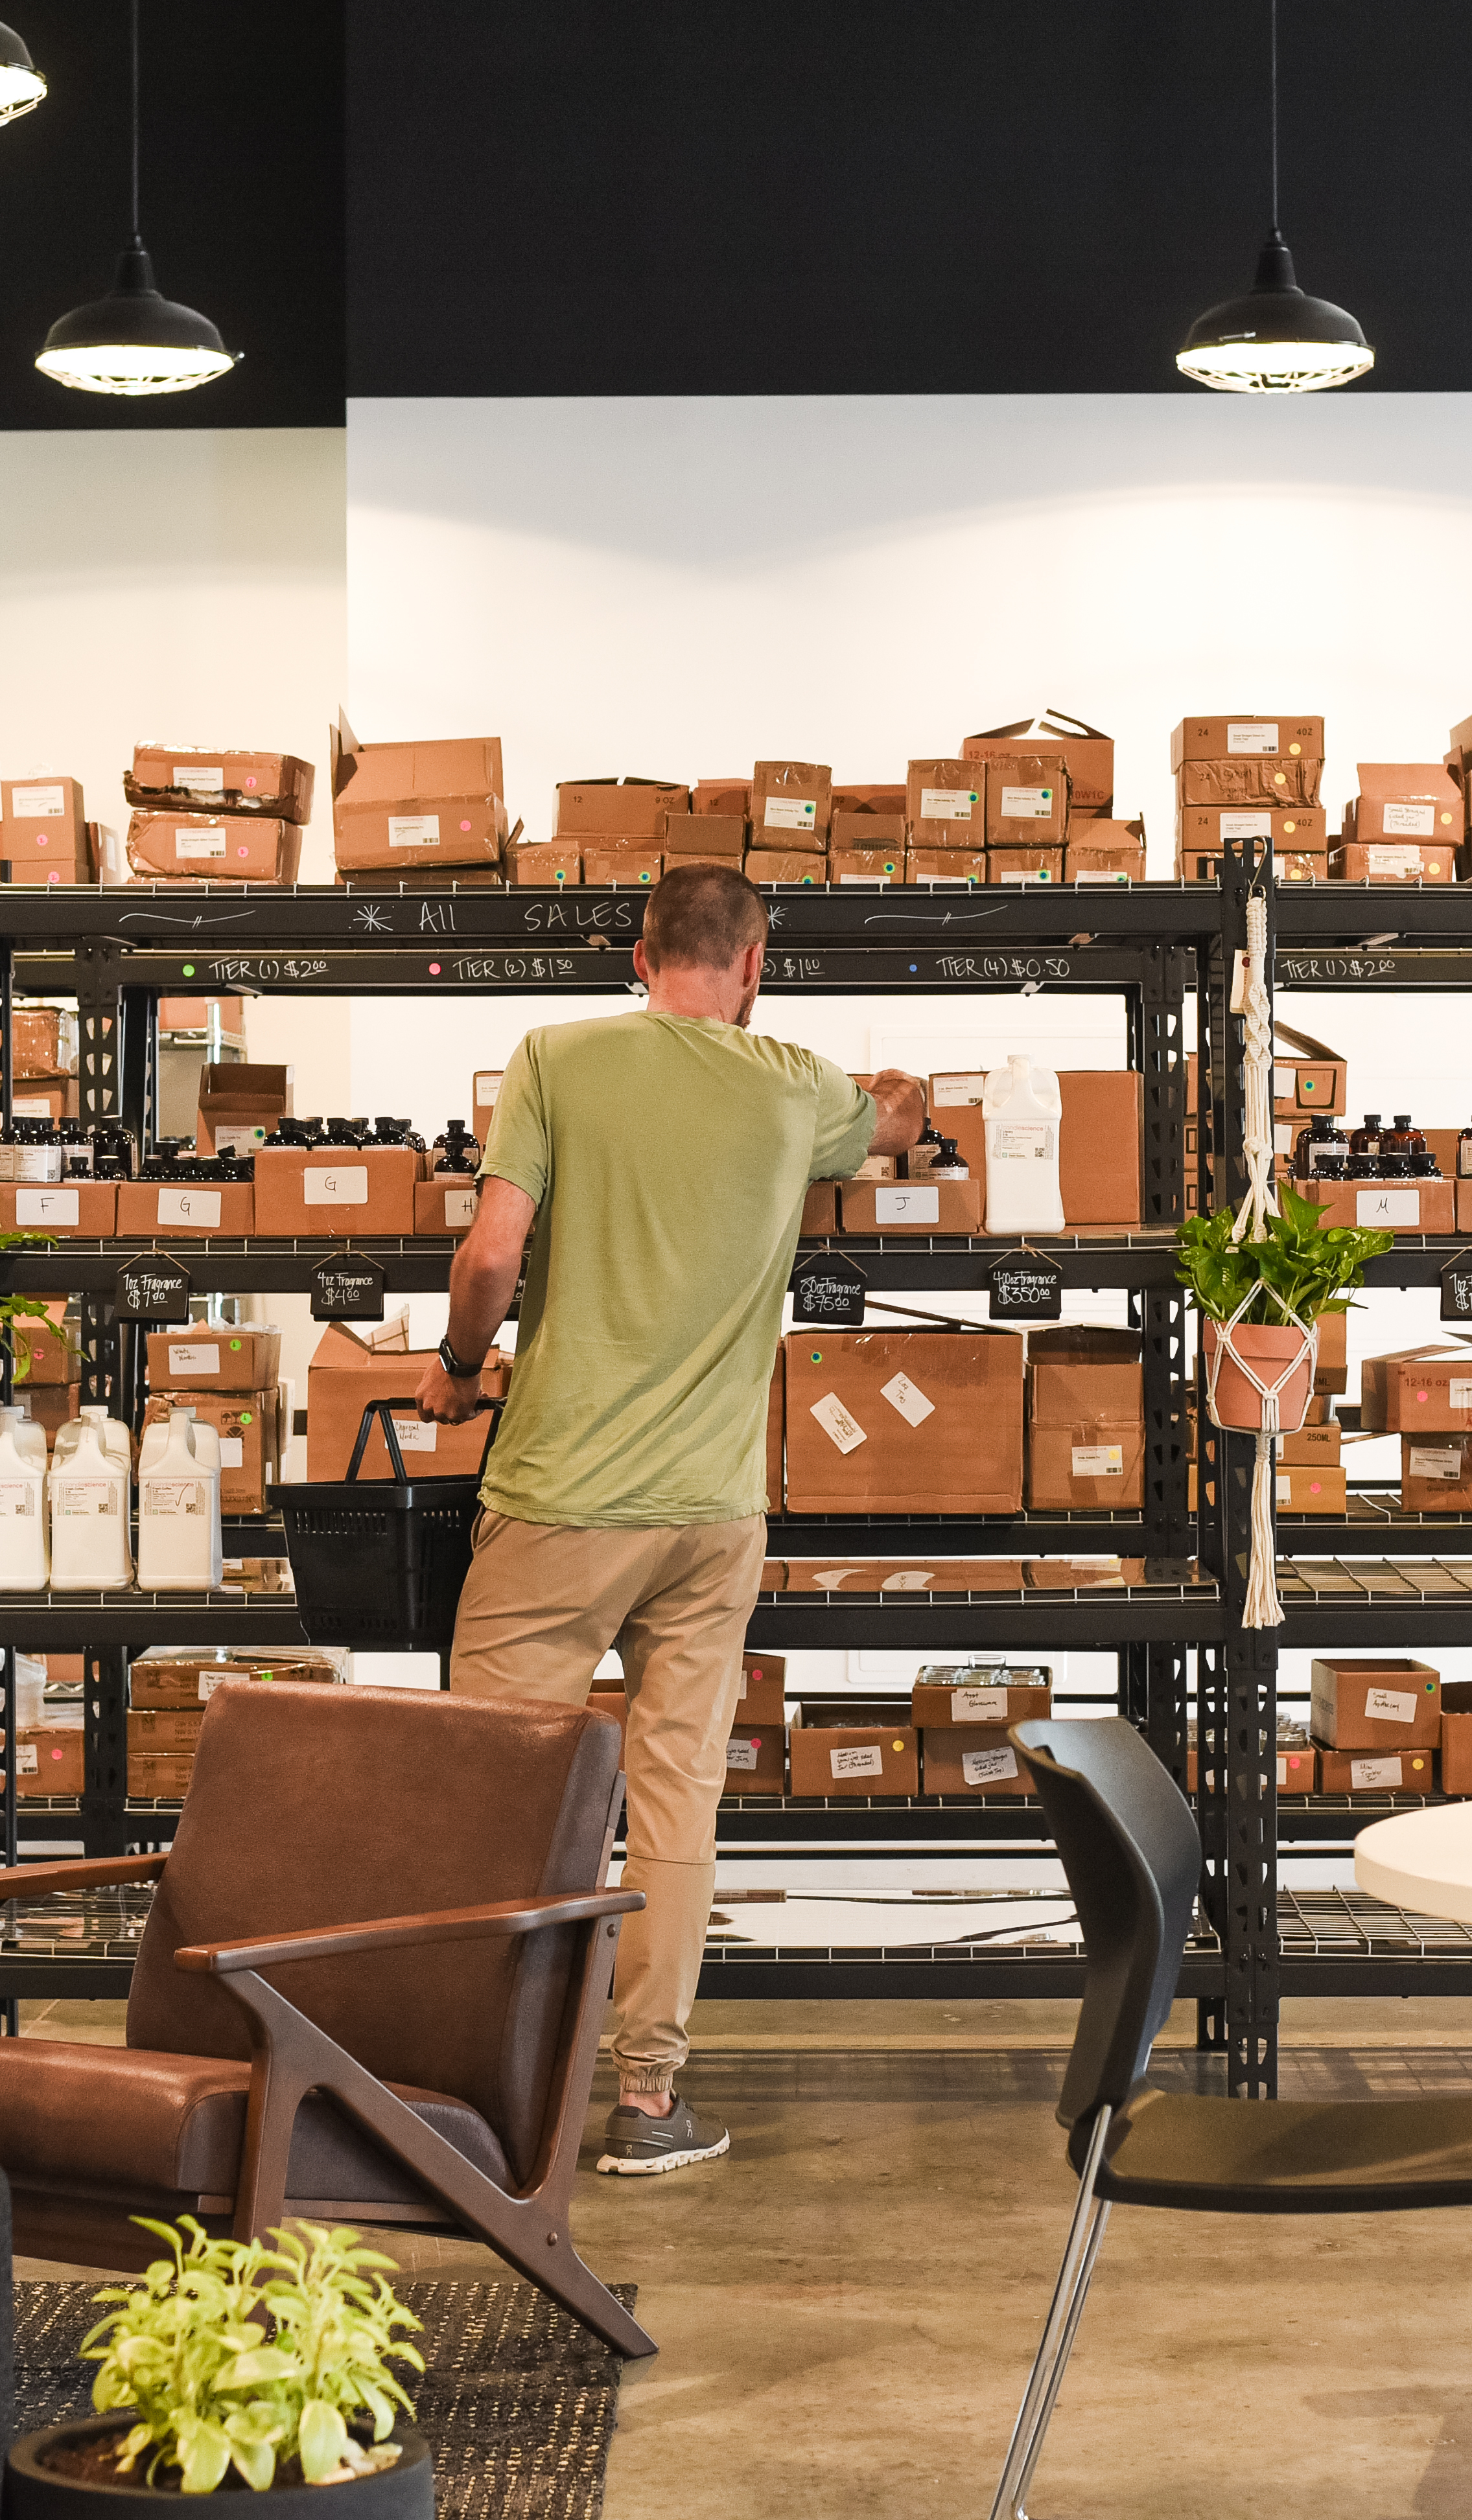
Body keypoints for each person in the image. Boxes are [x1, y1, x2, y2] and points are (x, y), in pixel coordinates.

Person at [419, 862, 923, 2176]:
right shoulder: (796, 1083)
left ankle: (480, 2096)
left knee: (490, 1793)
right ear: (754, 966)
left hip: (558, 1501)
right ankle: (647, 2103)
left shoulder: (555, 1059)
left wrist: (463, 1362)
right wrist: (908, 1105)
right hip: (710, 1513)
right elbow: (892, 1131)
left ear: (637, 953)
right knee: (675, 1800)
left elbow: (486, 1258)